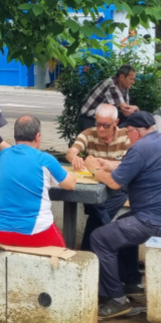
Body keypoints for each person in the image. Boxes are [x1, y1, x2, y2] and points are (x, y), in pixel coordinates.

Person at [91, 111, 161, 319]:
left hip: (158, 219)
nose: (128, 136)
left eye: (128, 132)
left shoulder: (140, 148)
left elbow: (113, 183)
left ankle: (116, 300)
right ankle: (132, 283)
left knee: (100, 238)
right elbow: (133, 167)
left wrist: (94, 170)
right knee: (122, 223)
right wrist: (108, 165)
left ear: (135, 132)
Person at [0, 116, 76, 247]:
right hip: (36, 232)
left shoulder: (3, 155)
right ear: (37, 136)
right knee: (63, 253)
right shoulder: (45, 159)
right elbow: (70, 184)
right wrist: (73, 174)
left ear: (15, 135)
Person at [65, 103, 130, 249]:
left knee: (99, 209)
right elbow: (71, 151)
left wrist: (107, 165)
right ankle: (108, 239)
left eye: (106, 125)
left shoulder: (125, 136)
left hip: (116, 187)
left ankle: (88, 250)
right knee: (96, 203)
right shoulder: (89, 134)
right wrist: (74, 157)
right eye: (98, 123)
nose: (100, 128)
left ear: (116, 123)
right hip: (93, 187)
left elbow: (129, 164)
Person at [78, 65, 139, 131]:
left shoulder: (124, 86)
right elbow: (126, 110)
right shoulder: (111, 85)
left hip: (101, 119)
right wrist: (136, 108)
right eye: (131, 79)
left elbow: (126, 112)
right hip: (90, 119)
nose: (133, 82)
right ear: (122, 77)